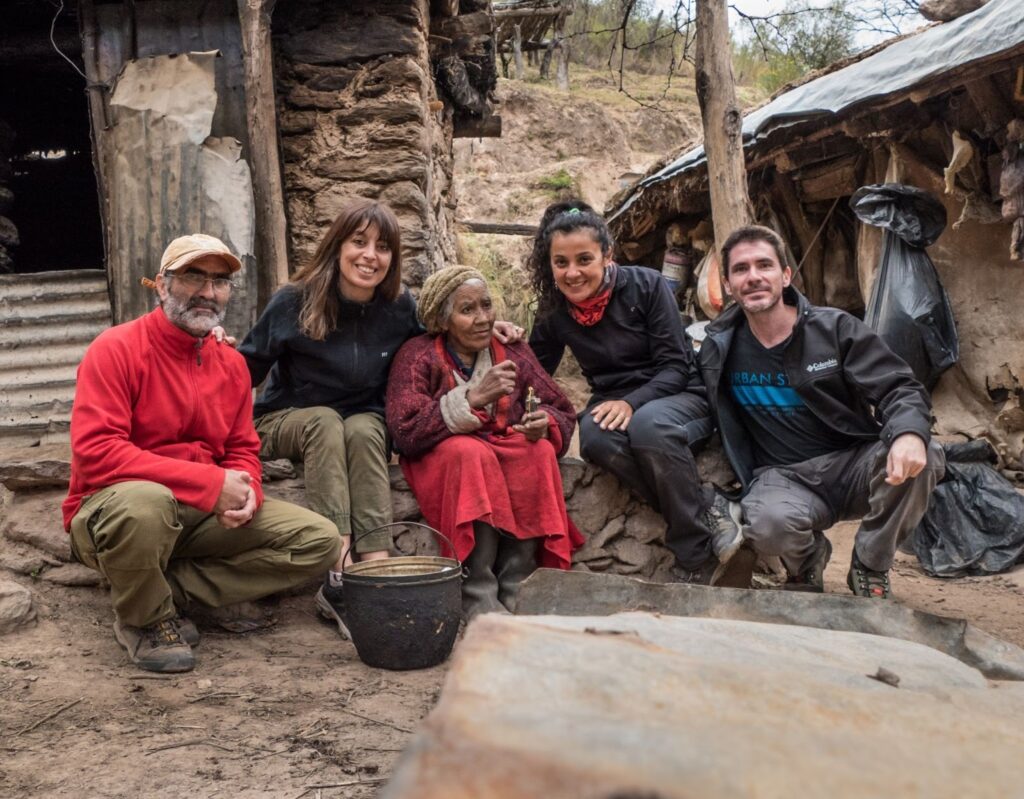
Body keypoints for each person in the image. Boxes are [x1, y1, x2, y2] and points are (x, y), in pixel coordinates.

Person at [238, 200, 524, 636]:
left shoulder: (398, 307)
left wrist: (490, 330)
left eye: (383, 247)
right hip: (287, 419)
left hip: (360, 423)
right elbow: (242, 372)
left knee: (365, 426)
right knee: (326, 423)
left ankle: (377, 566)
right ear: (337, 246)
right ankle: (339, 574)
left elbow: (439, 341)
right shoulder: (293, 302)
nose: (370, 255)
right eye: (359, 242)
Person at [63, 234, 341, 673]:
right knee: (146, 505)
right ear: (161, 284)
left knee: (318, 541)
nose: (208, 292)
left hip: (197, 513)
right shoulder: (114, 350)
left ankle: (160, 590)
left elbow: (241, 447)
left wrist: (247, 493)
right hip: (114, 510)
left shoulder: (230, 364)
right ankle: (144, 621)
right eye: (193, 276)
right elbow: (98, 453)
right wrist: (211, 483)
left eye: (220, 281)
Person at [698, 225, 946, 598]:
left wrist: (909, 433)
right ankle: (807, 562)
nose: (753, 277)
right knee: (766, 525)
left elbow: (900, 387)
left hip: (853, 464)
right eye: (741, 269)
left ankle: (870, 564)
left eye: (764, 265)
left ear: (785, 276)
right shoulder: (718, 347)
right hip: (784, 477)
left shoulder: (834, 329)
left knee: (927, 455)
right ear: (729, 286)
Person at [526, 201, 740, 585]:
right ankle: (708, 505)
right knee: (593, 437)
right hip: (614, 399)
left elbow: (675, 366)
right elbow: (534, 370)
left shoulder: (647, 285)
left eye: (584, 259)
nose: (572, 273)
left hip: (679, 393)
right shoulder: (555, 310)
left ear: (607, 255)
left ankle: (693, 556)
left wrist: (631, 403)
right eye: (561, 262)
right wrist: (504, 343)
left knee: (649, 428)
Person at [386, 266, 582, 619]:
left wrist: (545, 423)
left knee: (535, 453)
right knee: (470, 452)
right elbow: (405, 430)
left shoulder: (512, 351)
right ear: (443, 321)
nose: (482, 318)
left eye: (487, 306)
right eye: (467, 310)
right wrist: (472, 398)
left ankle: (518, 587)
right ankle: (477, 594)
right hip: (445, 454)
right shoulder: (418, 355)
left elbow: (562, 409)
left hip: (501, 446)